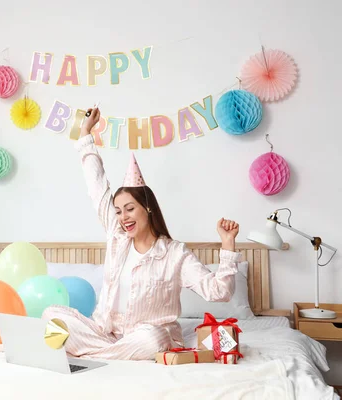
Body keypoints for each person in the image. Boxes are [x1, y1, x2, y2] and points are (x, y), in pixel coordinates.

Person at [41, 106, 242, 361]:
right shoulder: (117, 237)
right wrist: (85, 134)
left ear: (147, 208)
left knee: (153, 339)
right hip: (106, 334)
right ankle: (109, 354)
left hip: (146, 338)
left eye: (129, 209)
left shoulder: (174, 253)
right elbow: (97, 186)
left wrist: (227, 246)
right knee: (51, 315)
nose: (123, 217)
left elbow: (219, 292)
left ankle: (88, 355)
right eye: (118, 211)